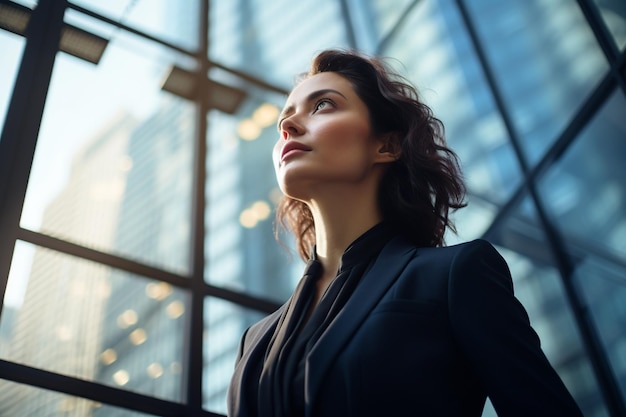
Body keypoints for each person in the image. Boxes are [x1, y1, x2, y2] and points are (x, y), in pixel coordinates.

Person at [227, 49, 583, 417]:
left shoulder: (452, 275)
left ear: (388, 145)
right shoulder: (254, 341)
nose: (289, 126)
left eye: (322, 106)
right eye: (285, 119)